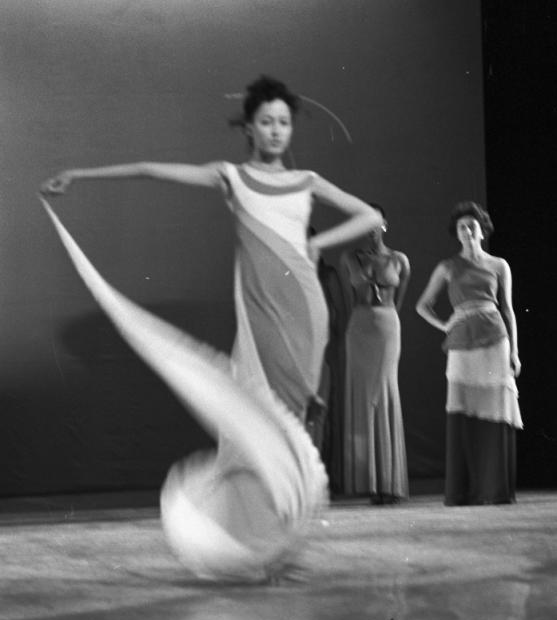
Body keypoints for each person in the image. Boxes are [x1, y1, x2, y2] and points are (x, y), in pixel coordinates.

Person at [39, 76, 382, 580]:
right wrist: (82, 174)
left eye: (283, 122)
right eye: (266, 122)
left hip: (306, 310)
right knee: (260, 420)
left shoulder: (306, 181)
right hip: (260, 314)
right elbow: (152, 171)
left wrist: (314, 244)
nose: (275, 130)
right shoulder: (231, 177)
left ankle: (280, 538)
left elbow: (370, 216)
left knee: (293, 422)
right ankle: (263, 539)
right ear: (249, 128)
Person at [416, 202, 522, 505]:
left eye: (472, 225)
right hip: (462, 341)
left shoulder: (499, 264)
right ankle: (465, 489)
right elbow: (422, 305)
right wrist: (445, 323)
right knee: (463, 411)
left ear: (482, 229)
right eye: (462, 226)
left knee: (494, 410)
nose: (467, 230)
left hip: (495, 337)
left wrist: (515, 351)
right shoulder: (447, 266)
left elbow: (509, 310)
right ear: (457, 233)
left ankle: (493, 488)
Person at [340, 204, 411, 504]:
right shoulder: (348, 257)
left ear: (384, 224)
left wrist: (387, 320)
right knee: (362, 396)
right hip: (359, 326)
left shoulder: (400, 260)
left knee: (384, 393)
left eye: (374, 221)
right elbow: (347, 299)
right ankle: (367, 481)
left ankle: (390, 482)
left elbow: (401, 300)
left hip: (386, 326)